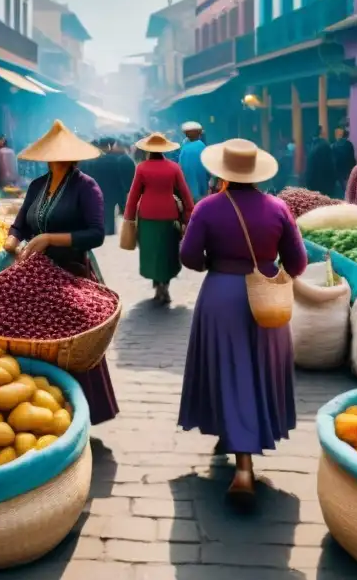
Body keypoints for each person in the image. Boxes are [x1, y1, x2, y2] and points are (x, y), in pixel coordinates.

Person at [178, 138, 306, 507]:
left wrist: (214, 264)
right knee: (255, 371)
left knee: (227, 369)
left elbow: (188, 257)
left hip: (220, 296)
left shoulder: (206, 208)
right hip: (265, 300)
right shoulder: (278, 208)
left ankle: (243, 468)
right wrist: (266, 268)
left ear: (222, 173)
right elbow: (296, 264)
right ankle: (239, 441)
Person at [3, 120, 119, 425]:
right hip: (36, 277)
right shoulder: (37, 186)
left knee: (71, 345)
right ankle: (46, 413)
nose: (56, 159)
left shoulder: (86, 187)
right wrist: (11, 241)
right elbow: (20, 224)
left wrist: (50, 239)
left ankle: (81, 413)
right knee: (39, 343)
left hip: (71, 273)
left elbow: (96, 234)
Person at [123, 133, 195, 305]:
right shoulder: (174, 167)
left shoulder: (141, 168)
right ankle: (165, 284)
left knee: (151, 251)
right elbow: (185, 193)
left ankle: (157, 285)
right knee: (168, 251)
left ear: (147, 150)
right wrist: (189, 214)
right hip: (169, 214)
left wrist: (129, 217)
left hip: (147, 215)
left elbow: (134, 195)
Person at [178, 121, 208, 202]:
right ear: (199, 134)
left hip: (187, 191)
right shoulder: (203, 147)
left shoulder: (184, 149)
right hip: (203, 190)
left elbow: (180, 168)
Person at [304, 128, 336, 197]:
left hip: (315, 181)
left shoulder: (314, 147)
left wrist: (308, 181)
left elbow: (310, 165)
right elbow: (332, 163)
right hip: (326, 180)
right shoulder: (325, 145)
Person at [331, 128, 357, 197]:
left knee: (341, 185)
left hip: (338, 168)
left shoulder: (334, 145)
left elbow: (332, 158)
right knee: (347, 185)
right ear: (347, 136)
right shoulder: (349, 144)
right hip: (347, 168)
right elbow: (351, 157)